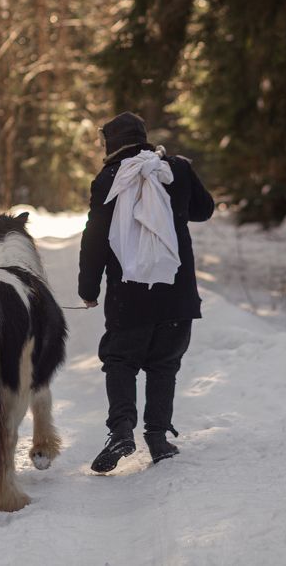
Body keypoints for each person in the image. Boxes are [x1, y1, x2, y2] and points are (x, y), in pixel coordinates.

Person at [78, 112, 214, 473]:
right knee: (164, 364)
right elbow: (204, 210)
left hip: (129, 295)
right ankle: (157, 437)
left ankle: (121, 430)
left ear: (110, 145)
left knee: (120, 361)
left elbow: (95, 238)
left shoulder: (109, 179)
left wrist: (88, 288)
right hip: (176, 292)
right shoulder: (175, 169)